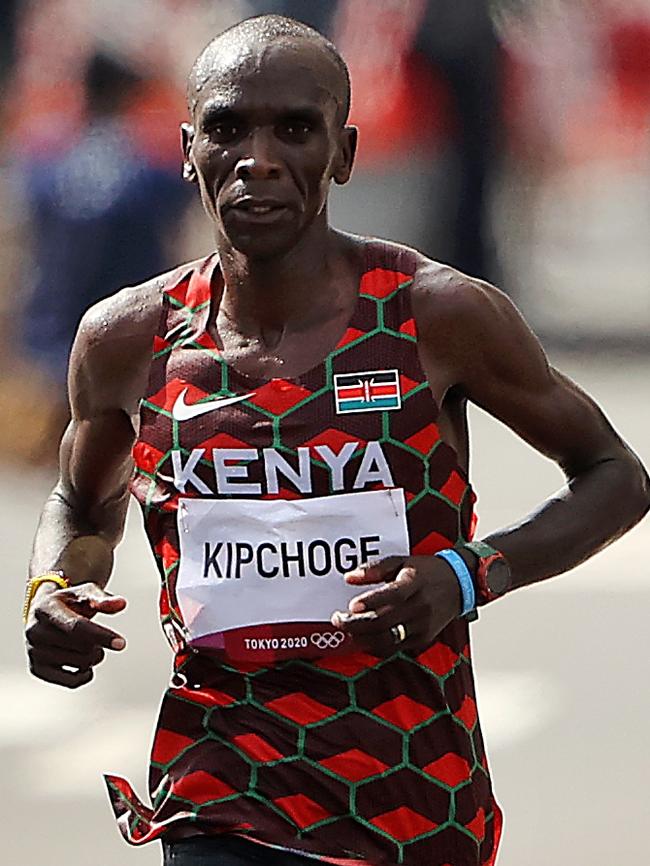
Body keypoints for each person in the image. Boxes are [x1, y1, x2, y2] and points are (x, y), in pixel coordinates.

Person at [23, 14, 649, 866]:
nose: (259, 159)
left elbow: (614, 475)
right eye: (227, 128)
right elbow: (81, 503)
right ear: (185, 149)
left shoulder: (437, 314)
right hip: (220, 787)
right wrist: (55, 588)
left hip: (411, 795)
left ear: (344, 154)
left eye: (295, 129)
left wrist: (468, 573)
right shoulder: (130, 338)